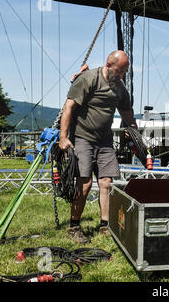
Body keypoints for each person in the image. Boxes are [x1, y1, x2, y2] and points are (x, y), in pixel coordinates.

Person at [59, 50, 137, 243]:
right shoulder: (88, 79)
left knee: (106, 183)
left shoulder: (119, 87)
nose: (121, 76)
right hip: (83, 137)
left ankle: (105, 225)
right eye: (119, 71)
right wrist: (63, 137)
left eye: (124, 72)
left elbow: (126, 111)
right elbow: (68, 106)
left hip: (105, 141)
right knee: (84, 184)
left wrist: (133, 131)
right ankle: (74, 227)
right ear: (108, 65)